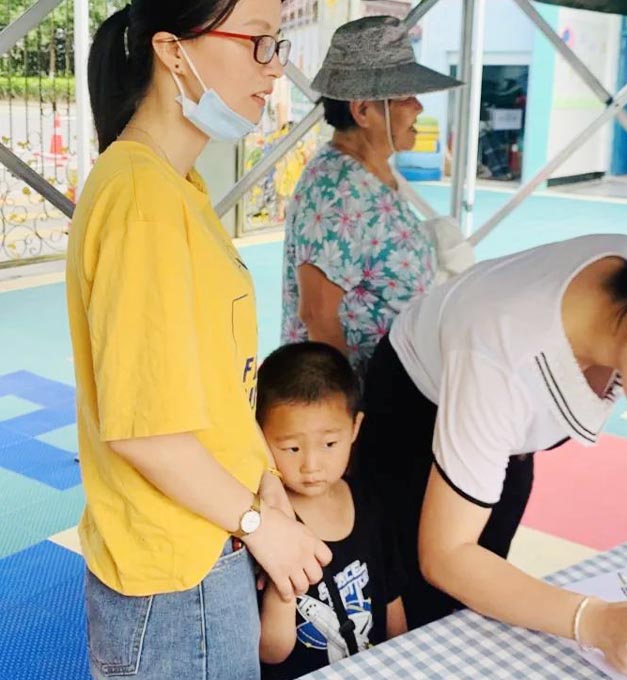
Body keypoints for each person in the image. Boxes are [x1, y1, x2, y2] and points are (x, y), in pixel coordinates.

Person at [354, 210, 627, 678]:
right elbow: (447, 556)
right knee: (411, 605)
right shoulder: (504, 355)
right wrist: (595, 621)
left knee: (486, 591)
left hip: (502, 417)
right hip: (414, 413)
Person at [67, 2, 331, 678]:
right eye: (257, 43)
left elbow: (211, 386)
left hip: (204, 541)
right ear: (172, 51)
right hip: (180, 571)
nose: (275, 68)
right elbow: (145, 431)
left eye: (277, 44)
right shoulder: (142, 198)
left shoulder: (175, 185)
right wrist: (260, 526)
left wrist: (263, 483)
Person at [280, 15, 463, 375]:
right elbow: (318, 315)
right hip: (362, 398)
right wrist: (345, 403)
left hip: (396, 386)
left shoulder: (371, 173)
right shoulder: (337, 191)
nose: (419, 107)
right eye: (406, 97)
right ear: (363, 110)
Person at [257, 342, 407, 679]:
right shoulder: (266, 525)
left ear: (355, 428)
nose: (311, 465)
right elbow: (271, 652)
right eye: (291, 447)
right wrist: (284, 585)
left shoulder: (367, 501)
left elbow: (392, 601)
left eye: (329, 444)